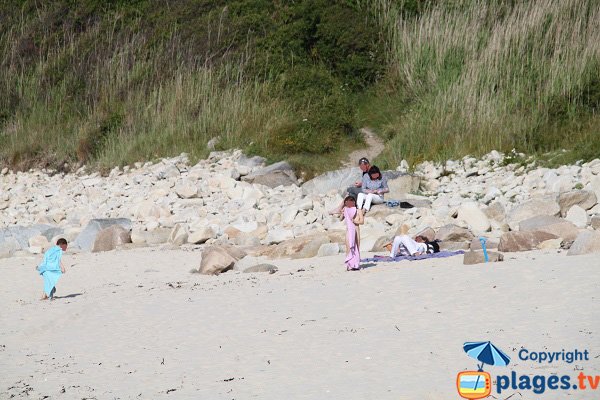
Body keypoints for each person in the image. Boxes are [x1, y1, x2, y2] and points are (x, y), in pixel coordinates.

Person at [340, 195, 364, 271]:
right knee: (348, 248)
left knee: (357, 247)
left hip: (356, 230)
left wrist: (355, 221)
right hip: (349, 231)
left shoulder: (358, 210)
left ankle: (356, 264)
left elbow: (362, 221)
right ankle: (349, 265)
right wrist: (342, 213)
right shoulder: (346, 210)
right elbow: (340, 219)